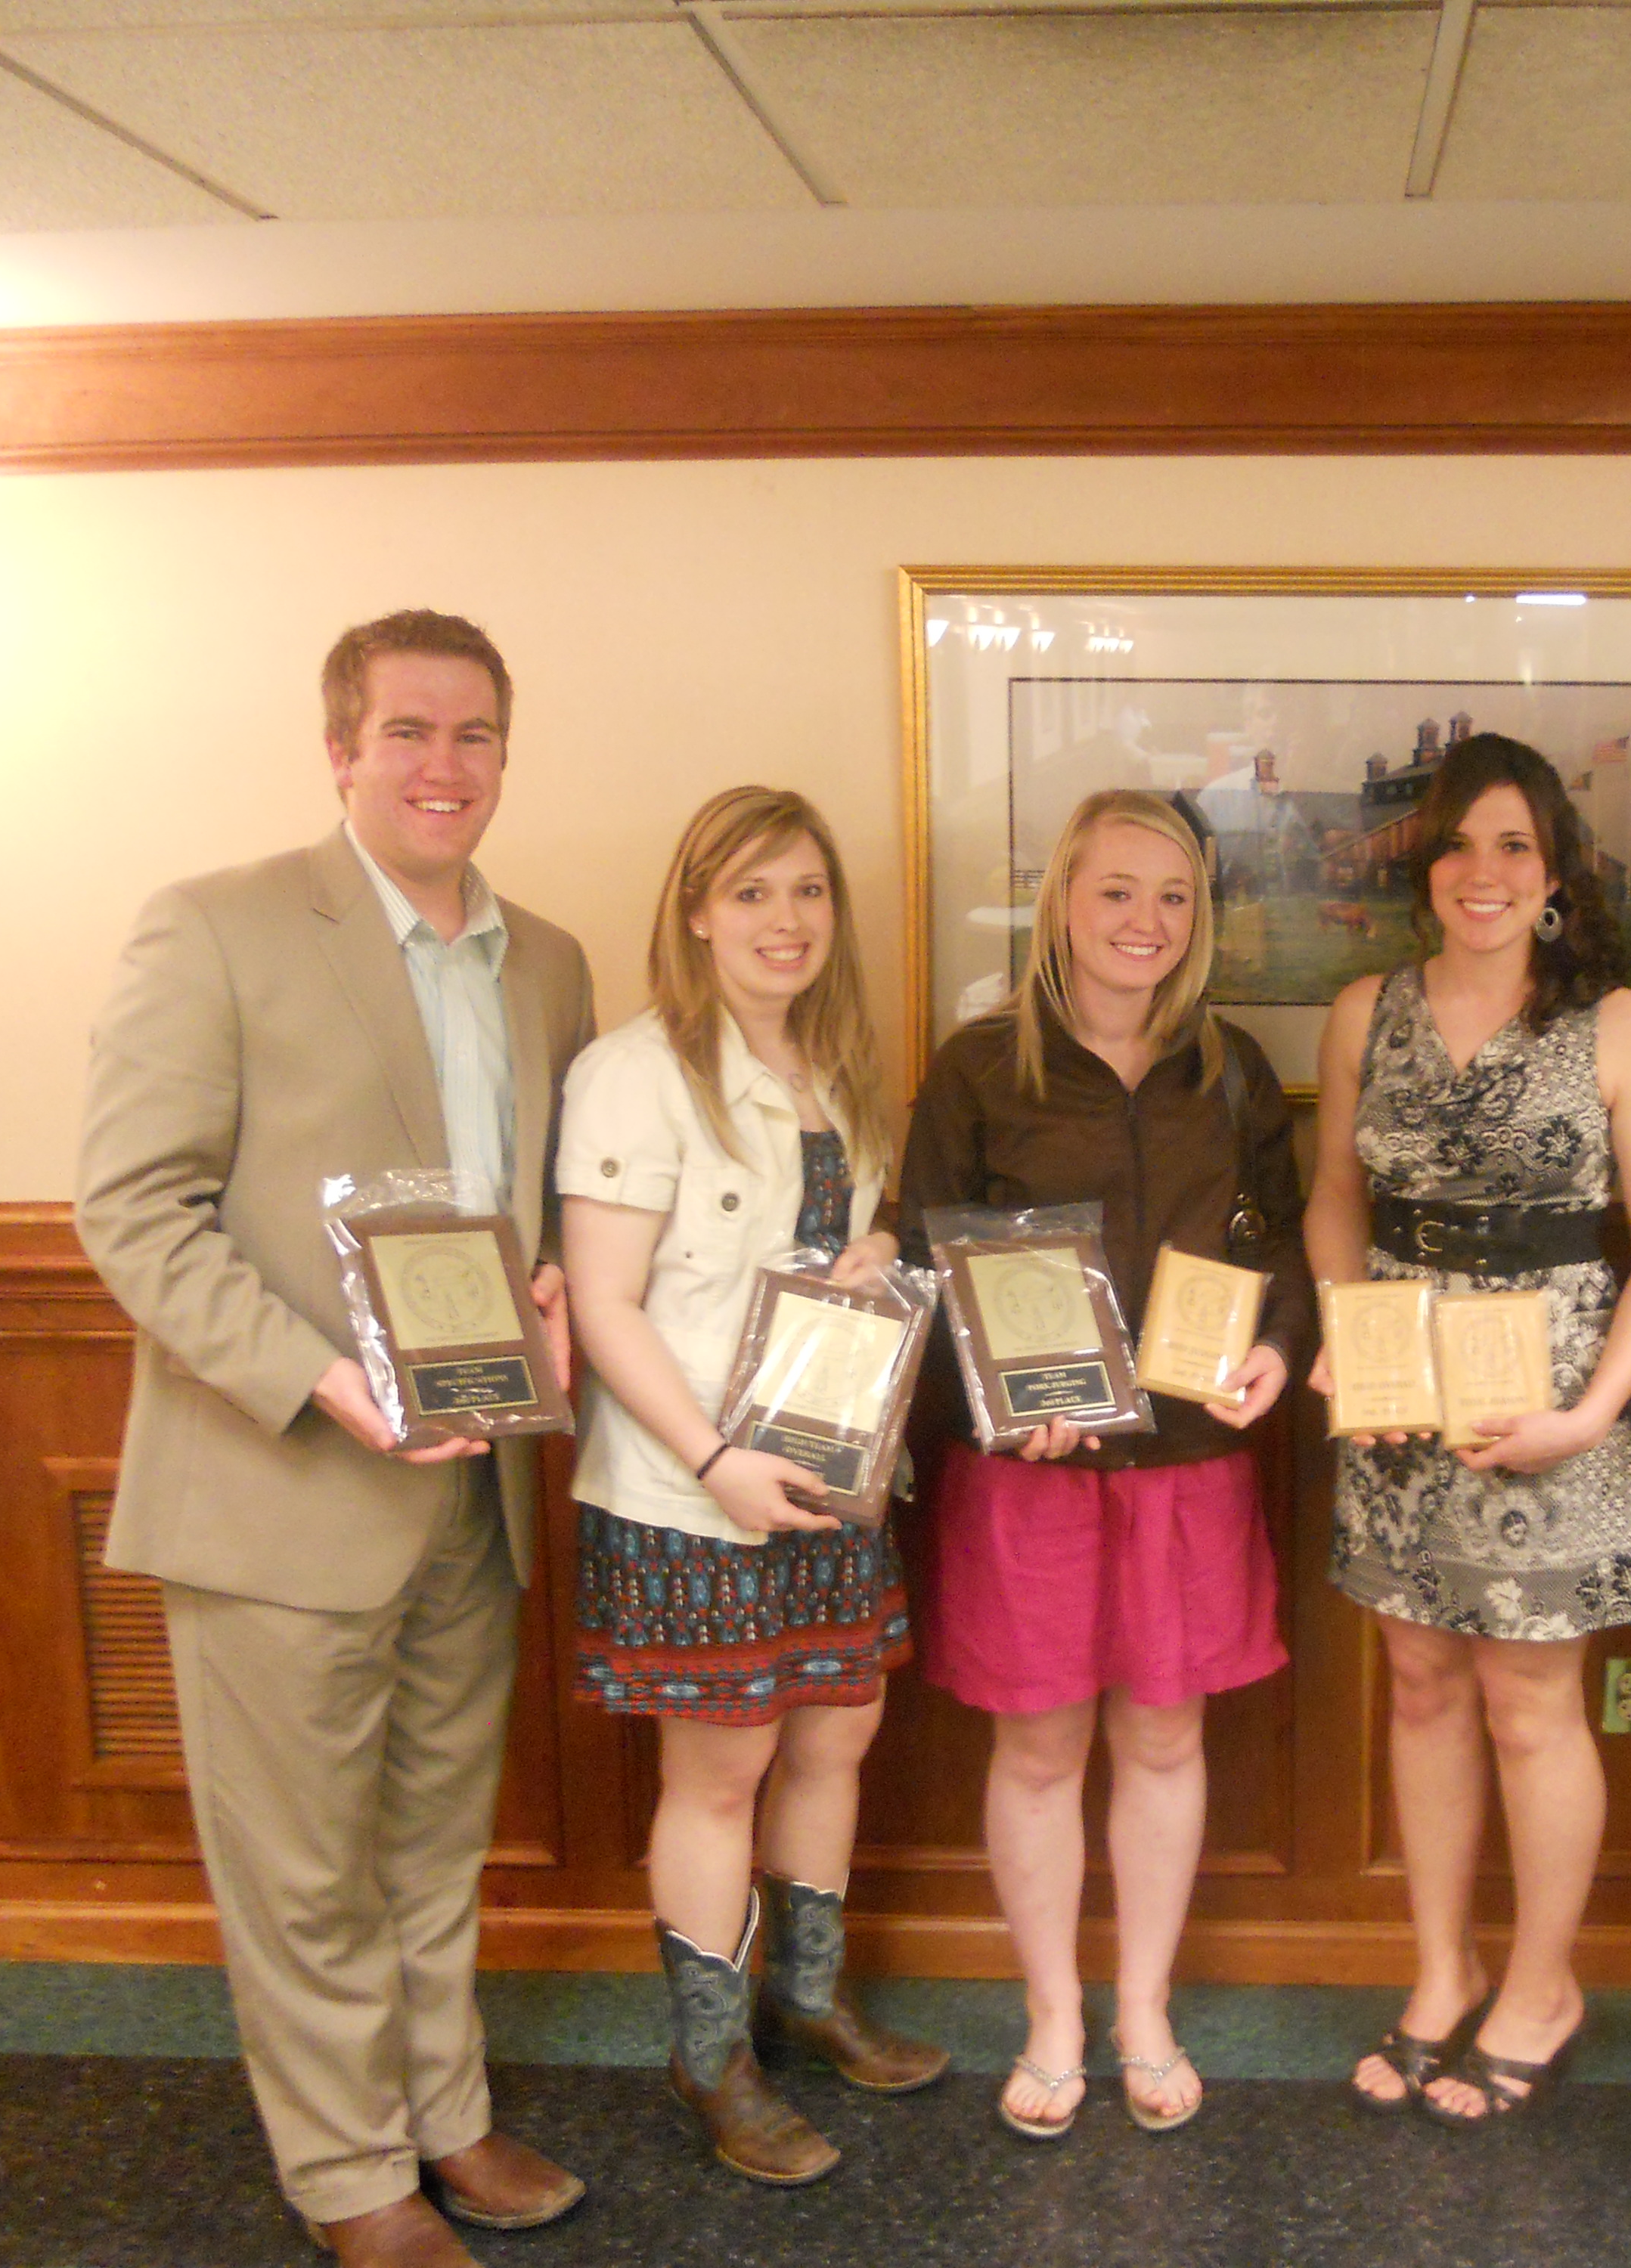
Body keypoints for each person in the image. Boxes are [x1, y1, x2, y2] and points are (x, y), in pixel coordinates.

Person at [76, 611, 597, 2268]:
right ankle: (349, 2175)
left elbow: (535, 1220)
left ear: (506, 756)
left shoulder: (554, 962)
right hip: (281, 1485)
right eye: (409, 734)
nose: (444, 768)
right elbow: (132, 1212)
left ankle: (444, 2120)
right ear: (341, 749)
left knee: (435, 1839)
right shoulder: (216, 928)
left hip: (475, 1489)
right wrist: (319, 1377)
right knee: (301, 1868)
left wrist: (554, 1293)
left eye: (475, 738)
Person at [897, 789, 1310, 2141]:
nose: (1146, 921)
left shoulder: (1235, 1067)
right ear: (1060, 905)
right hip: (1031, 1474)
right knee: (1037, 1742)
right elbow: (922, 1268)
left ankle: (1141, 2009)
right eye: (1117, 891)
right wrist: (998, 1406)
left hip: (1190, 1459)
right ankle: (1052, 2017)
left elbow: (1283, 1245)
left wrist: (1282, 1348)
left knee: (1165, 1734)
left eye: (1174, 895)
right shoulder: (975, 1069)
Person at [558, 786, 948, 2189]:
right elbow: (606, 1306)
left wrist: (882, 1236)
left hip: (836, 1471)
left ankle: (808, 1996)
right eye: (754, 892)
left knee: (837, 1733)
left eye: (808, 893)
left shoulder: (837, 1066)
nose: (786, 922)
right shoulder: (633, 1071)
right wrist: (716, 1463)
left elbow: (843, 1232)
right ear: (697, 911)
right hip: (691, 1489)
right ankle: (713, 2054)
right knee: (720, 1772)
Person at [1308, 733, 1631, 2124]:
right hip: (1400, 1394)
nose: (1484, 871)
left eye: (1514, 845)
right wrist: (1347, 1338)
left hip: (1554, 1400)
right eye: (1460, 843)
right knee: (1418, 1682)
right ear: (1425, 864)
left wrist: (1589, 1414)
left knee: (1534, 1705)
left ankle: (1543, 1984)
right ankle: (1440, 1971)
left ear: (1554, 872)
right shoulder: (1365, 1011)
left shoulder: (1621, 1027)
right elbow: (1335, 1202)